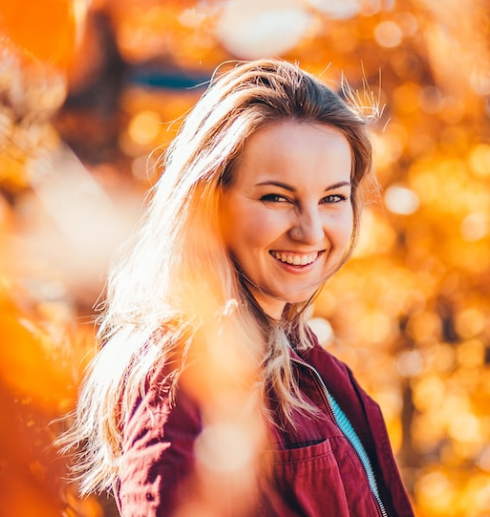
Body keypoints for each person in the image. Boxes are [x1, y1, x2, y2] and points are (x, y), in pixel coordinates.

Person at [62, 59, 416, 517]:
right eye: (277, 197)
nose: (311, 231)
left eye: (332, 198)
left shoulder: (315, 367)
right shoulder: (185, 370)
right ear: (210, 205)